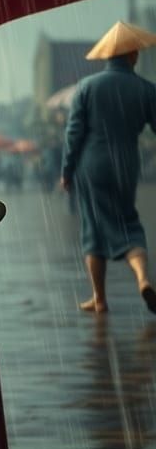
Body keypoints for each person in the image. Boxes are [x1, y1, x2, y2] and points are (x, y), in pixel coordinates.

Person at [60, 21, 156, 315]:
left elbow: (73, 133)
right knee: (128, 223)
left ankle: (99, 299)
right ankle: (142, 278)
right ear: (132, 55)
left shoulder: (86, 87)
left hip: (91, 165)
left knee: (93, 228)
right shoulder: (146, 89)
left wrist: (66, 170)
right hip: (125, 164)